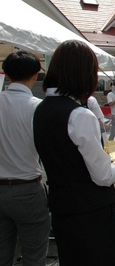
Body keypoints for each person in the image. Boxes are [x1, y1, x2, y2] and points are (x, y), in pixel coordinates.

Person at [32, 40, 115, 266]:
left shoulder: (41, 109)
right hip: (92, 211)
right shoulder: (79, 115)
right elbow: (103, 176)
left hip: (61, 207)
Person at [0, 51, 51, 266]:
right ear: (35, 75)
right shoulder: (38, 107)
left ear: (7, 75)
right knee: (34, 255)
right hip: (28, 187)